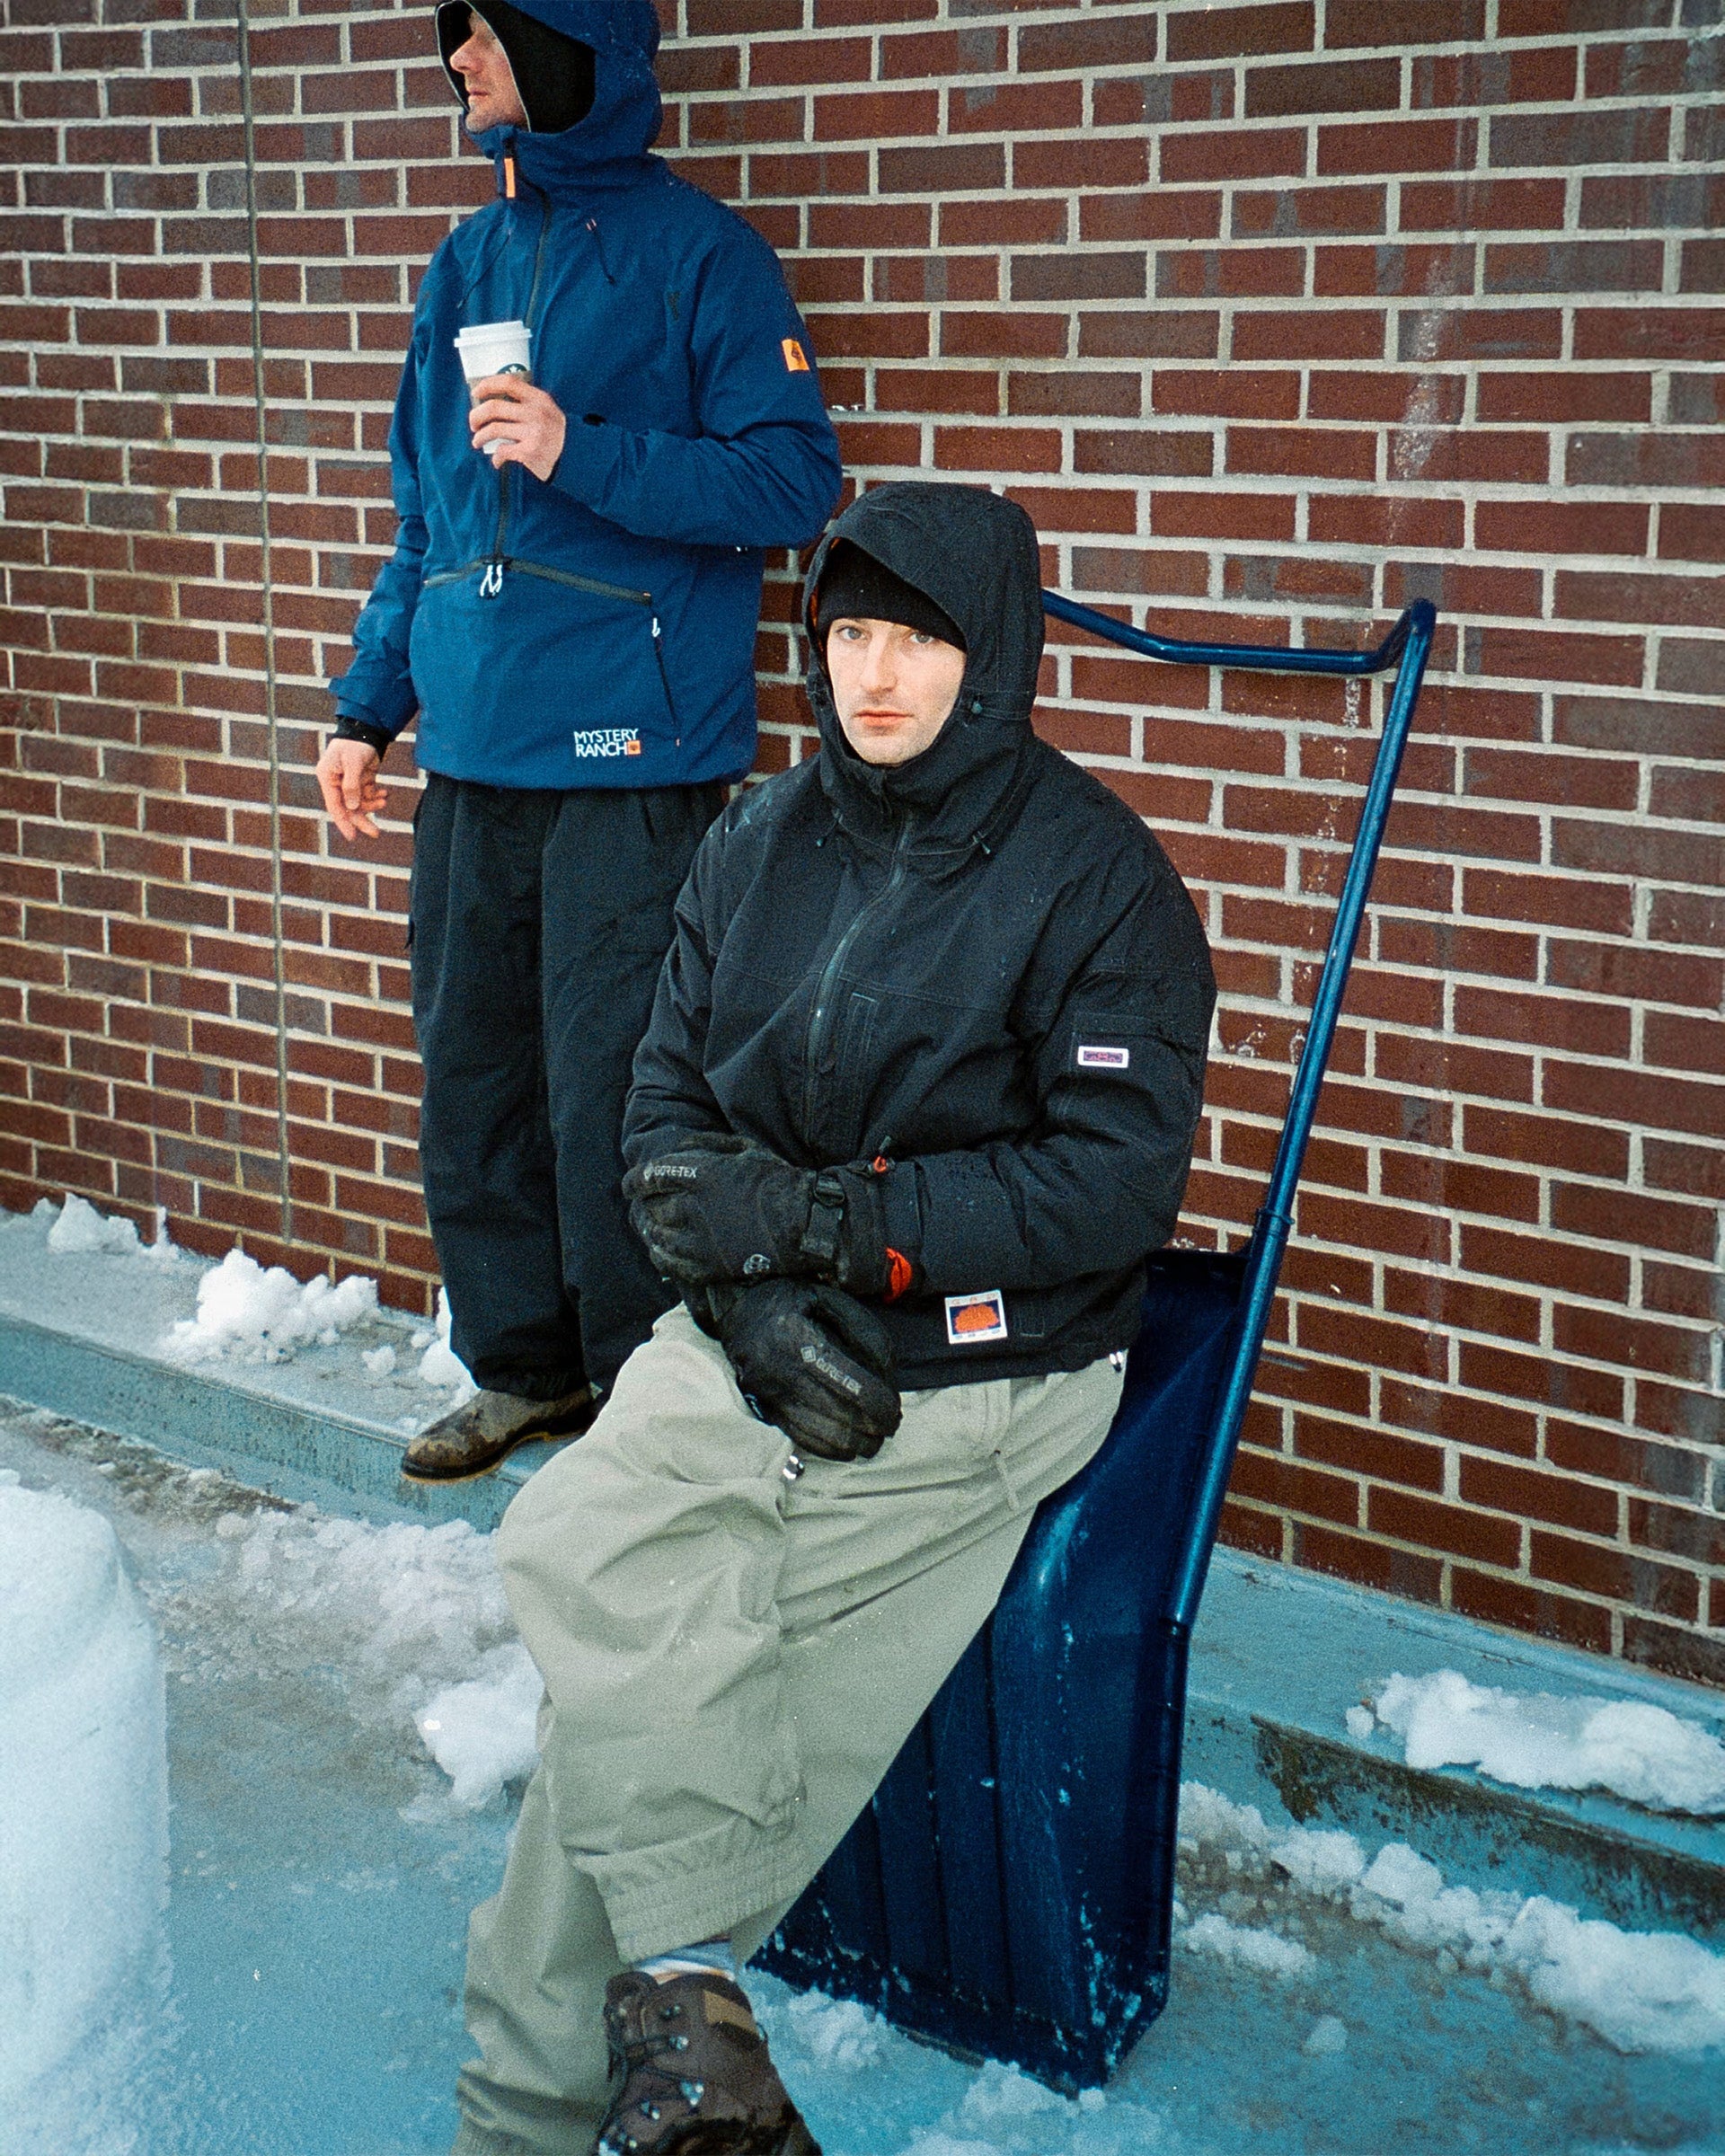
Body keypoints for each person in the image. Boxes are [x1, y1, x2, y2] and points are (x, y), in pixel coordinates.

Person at [447, 482, 1216, 2156]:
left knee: (656, 1700)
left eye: (922, 638)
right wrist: (741, 1287)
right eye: (851, 632)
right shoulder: (755, 839)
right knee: (588, 1545)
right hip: (743, 1333)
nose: (878, 675)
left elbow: (1104, 1189)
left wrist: (825, 1232)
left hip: (983, 1371)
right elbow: (660, 1113)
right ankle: (686, 2014)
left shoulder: (1102, 885)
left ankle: (517, 2112)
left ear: (993, 651)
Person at [314, 0, 841, 1481]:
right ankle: (523, 1371)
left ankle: (639, 1407)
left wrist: (577, 448)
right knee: (473, 1082)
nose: (458, 68)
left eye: (481, 40)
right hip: (472, 753)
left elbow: (794, 482)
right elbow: (425, 517)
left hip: (631, 763)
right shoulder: (468, 260)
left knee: (619, 1092)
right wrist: (368, 705)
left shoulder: (704, 257)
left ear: (564, 51)